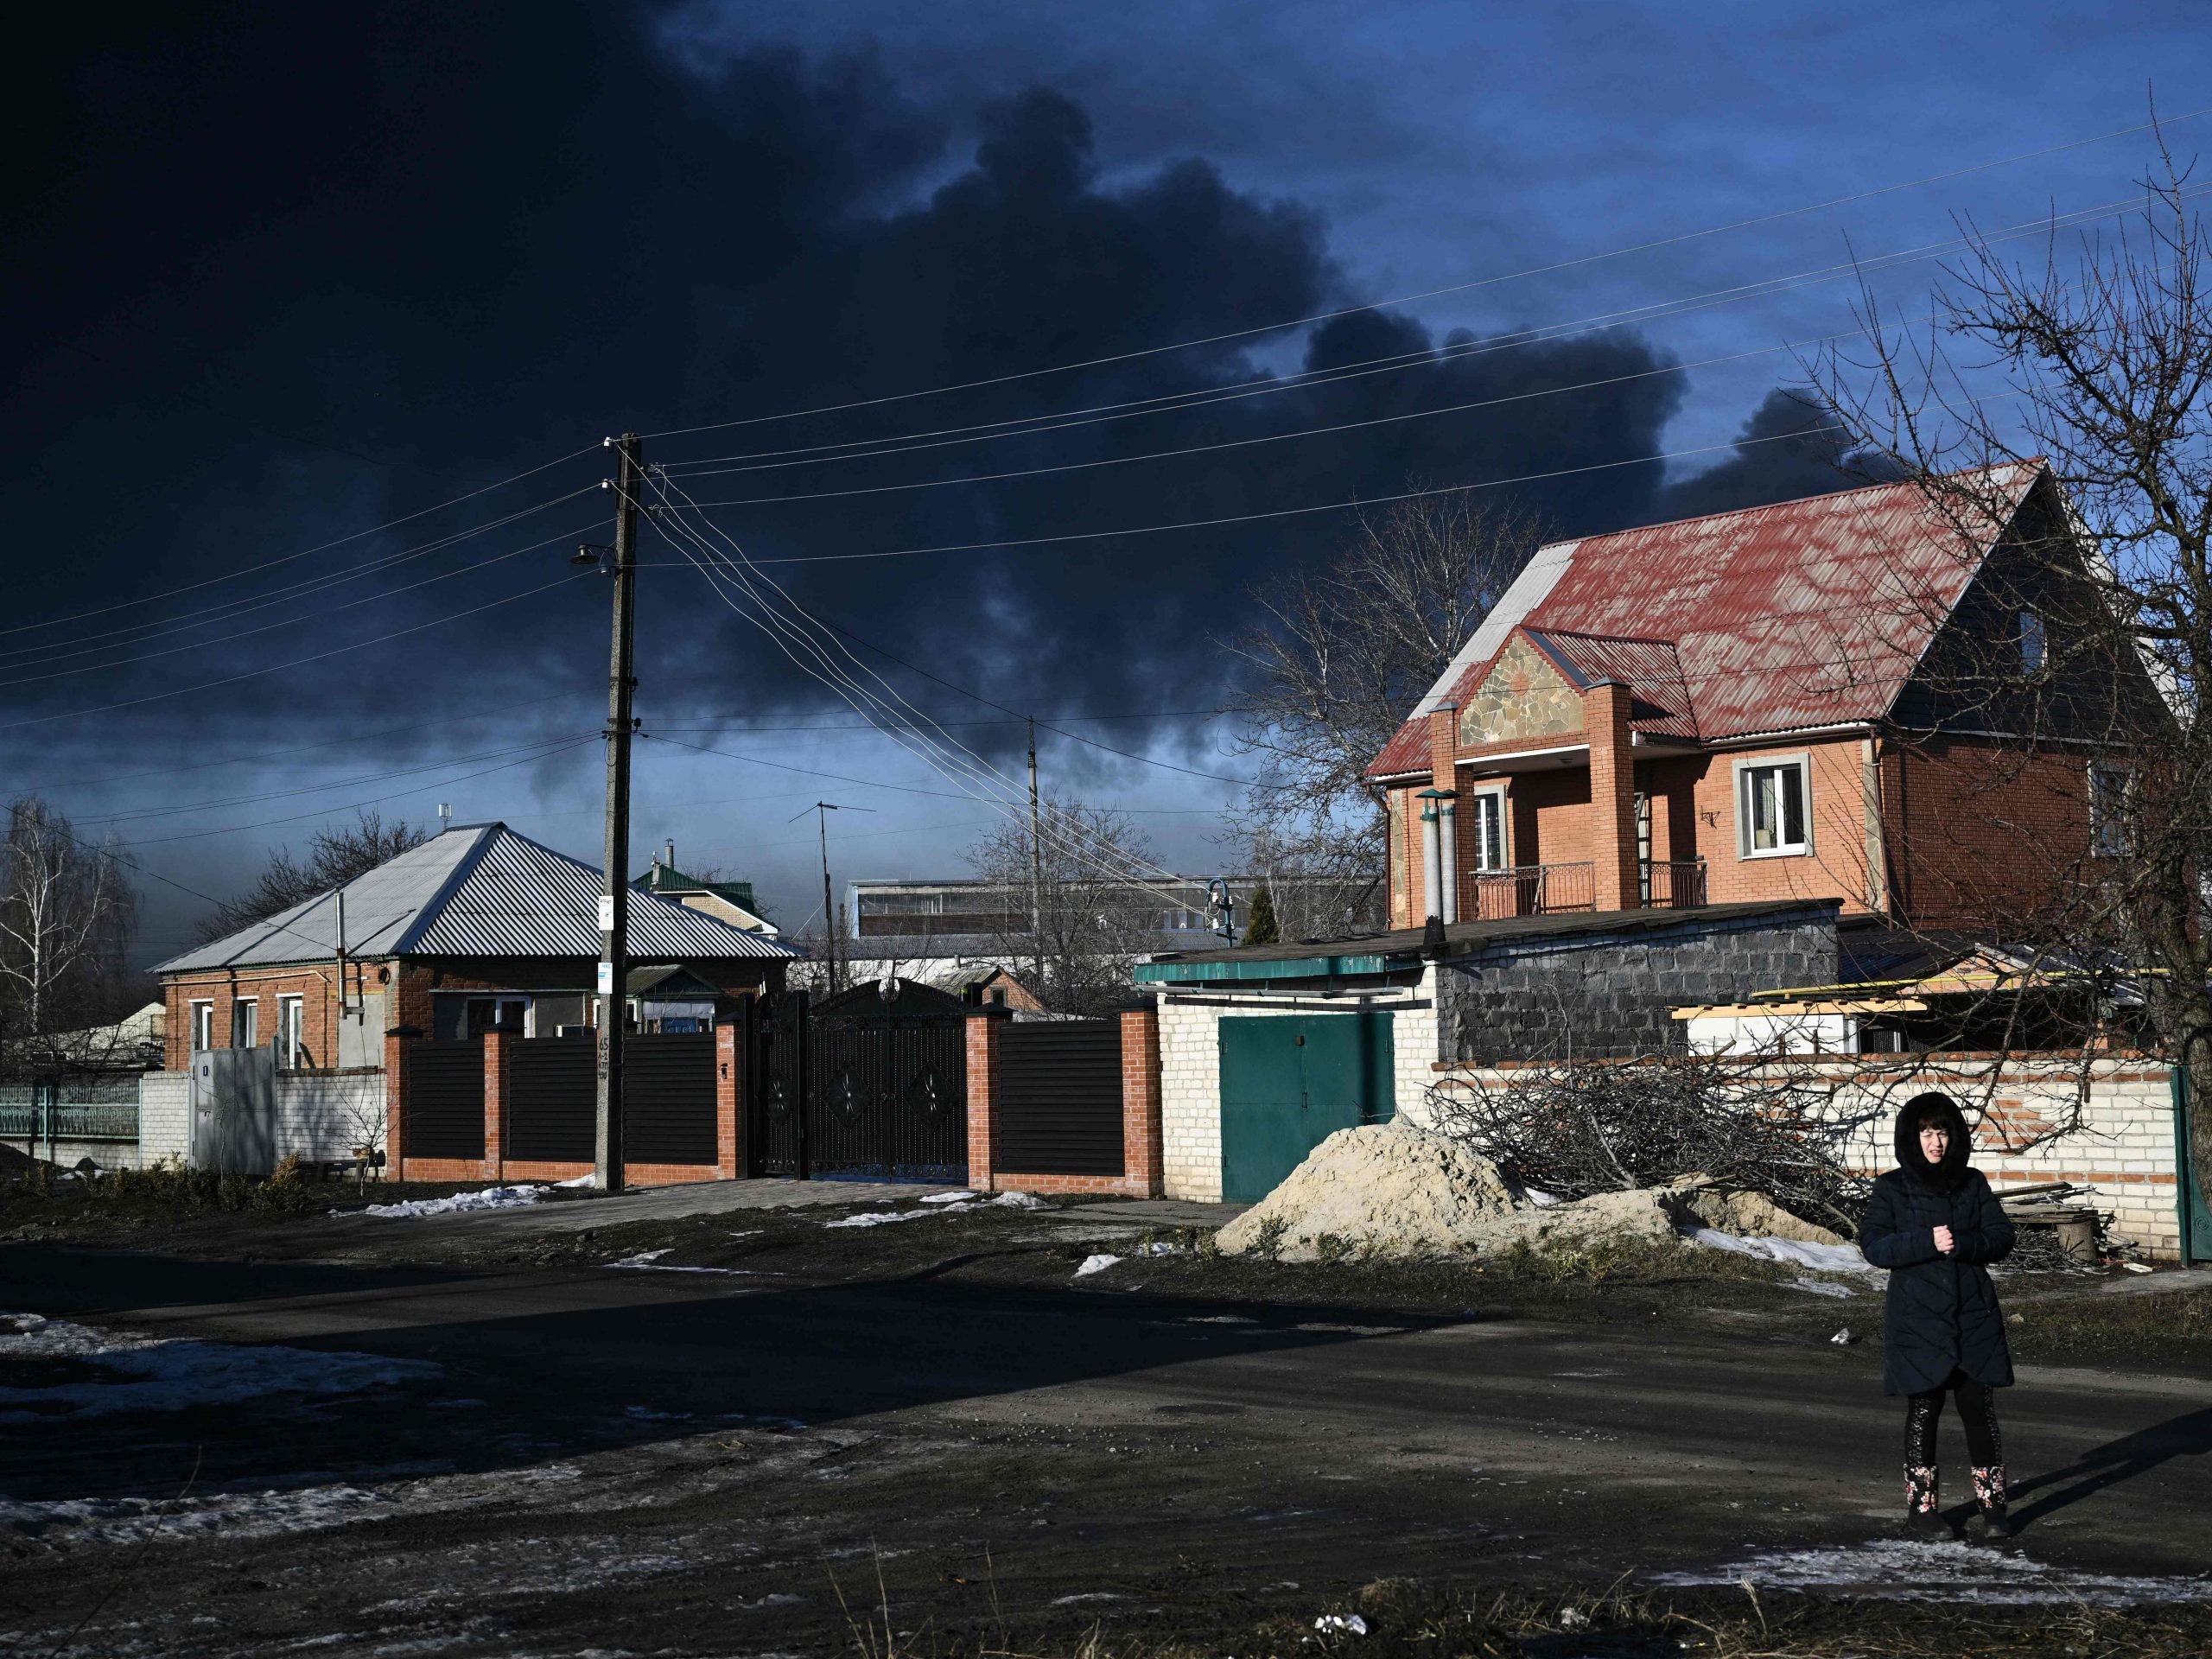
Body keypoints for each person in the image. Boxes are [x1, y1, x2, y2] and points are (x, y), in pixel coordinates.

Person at [1859, 1092, 2017, 1539]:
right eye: (1926, 1132)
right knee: (1924, 1409)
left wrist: (1963, 1243)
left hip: (1973, 1315)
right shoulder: (1891, 1188)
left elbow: (2001, 1237)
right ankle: (1922, 1510)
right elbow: (1873, 1246)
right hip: (1917, 1317)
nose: (1935, 1142)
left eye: (1943, 1131)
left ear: (1955, 1136)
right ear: (1912, 1138)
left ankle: (1994, 1510)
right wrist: (1926, 1242)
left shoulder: (1973, 1183)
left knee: (1978, 1410)